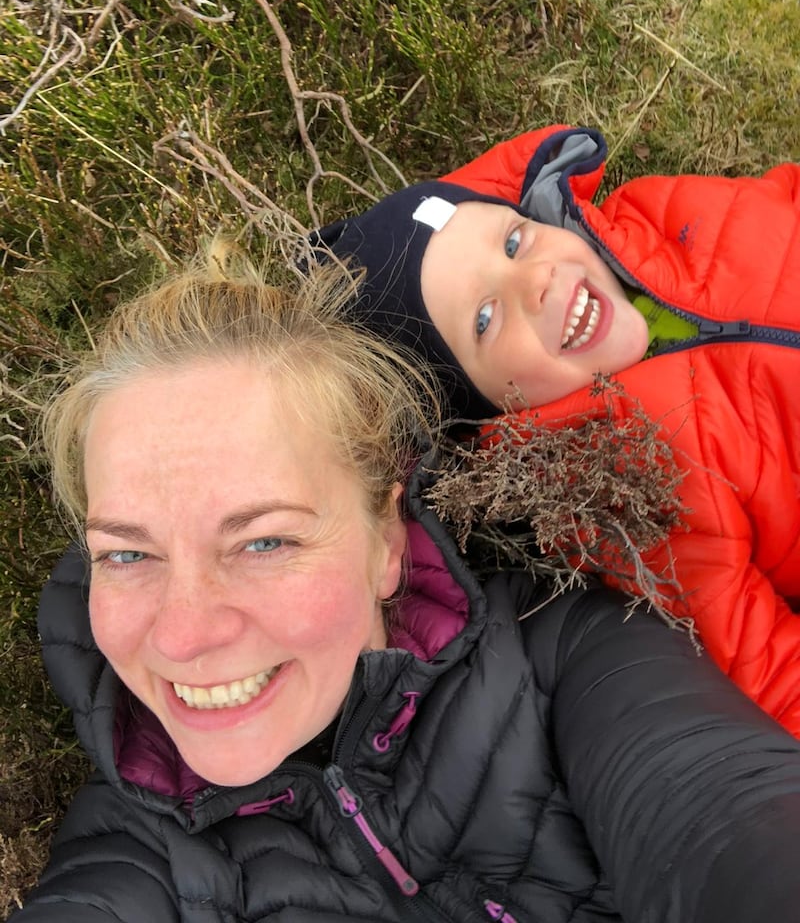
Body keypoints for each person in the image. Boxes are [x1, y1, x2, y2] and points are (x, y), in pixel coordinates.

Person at [11, 250, 800, 923]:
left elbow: (730, 816)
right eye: (127, 555)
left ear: (386, 540)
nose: (183, 634)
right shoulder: (124, 850)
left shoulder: (569, 656)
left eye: (264, 541)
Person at [312, 123, 800, 737]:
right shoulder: (622, 482)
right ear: (487, 409)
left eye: (514, 241)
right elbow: (768, 670)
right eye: (485, 319)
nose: (536, 279)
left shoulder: (656, 214)